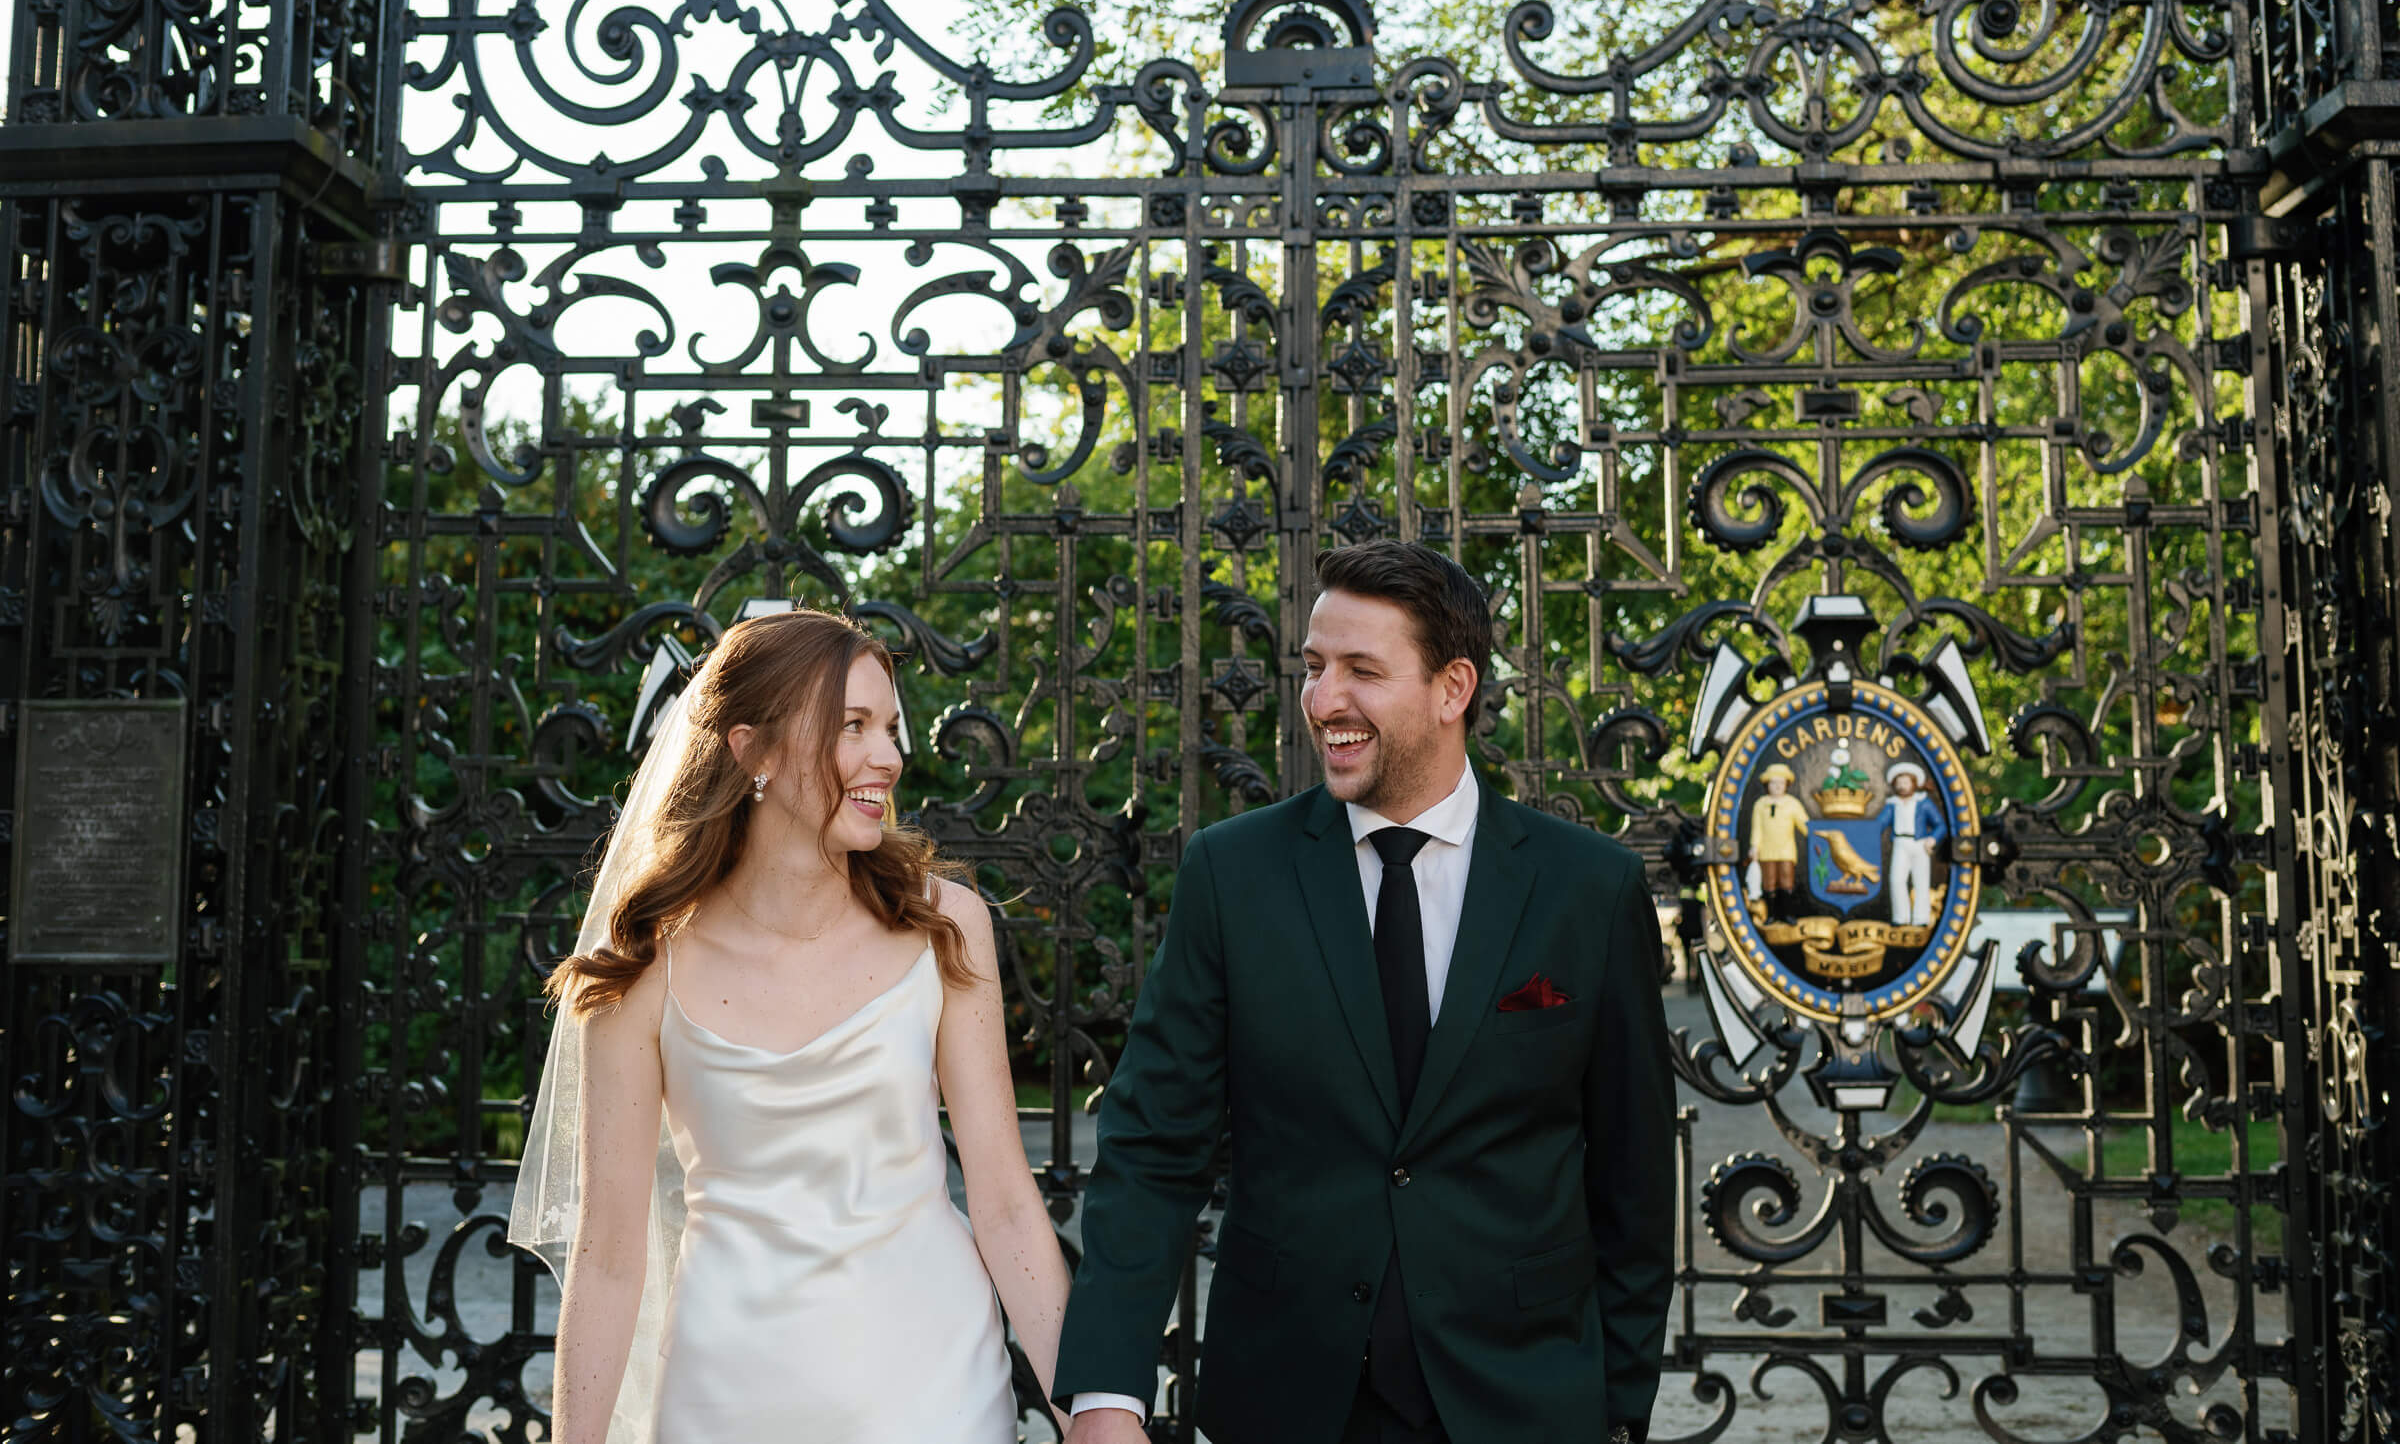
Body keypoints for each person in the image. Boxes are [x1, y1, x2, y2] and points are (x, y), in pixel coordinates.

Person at [1055, 542, 1675, 1444]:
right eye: (1313, 668)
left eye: (1361, 671)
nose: (1322, 701)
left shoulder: (1590, 889)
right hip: (1284, 1400)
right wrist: (1106, 1389)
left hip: (1521, 1401)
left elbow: (1635, 1178)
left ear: (1452, 688)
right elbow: (1154, 1149)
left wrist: (1617, 1410)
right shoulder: (1232, 875)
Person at [509, 609, 1071, 1443]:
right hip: (723, 1396)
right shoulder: (643, 962)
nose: (890, 755)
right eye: (853, 727)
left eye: (889, 726)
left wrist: (1088, 1412)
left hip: (934, 1388)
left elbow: (1004, 1204)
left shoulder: (943, 926)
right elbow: (610, 1253)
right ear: (753, 750)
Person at [1880, 762, 1945, 926]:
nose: (1902, 786)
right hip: (1900, 842)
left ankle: (1921, 918)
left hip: (1919, 843)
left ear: (1914, 783)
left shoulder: (1923, 802)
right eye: (1899, 782)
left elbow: (1940, 825)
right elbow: (1880, 823)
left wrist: (1933, 838)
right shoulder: (1893, 804)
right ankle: (1901, 917)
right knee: (1896, 880)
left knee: (1921, 881)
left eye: (1905, 782)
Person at [1744, 763, 1809, 904]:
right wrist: (1755, 846)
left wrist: (1816, 838)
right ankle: (1772, 914)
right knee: (1769, 881)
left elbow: (1804, 825)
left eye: (1781, 783)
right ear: (1768, 784)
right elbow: (1757, 829)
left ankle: (1787, 914)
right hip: (1766, 851)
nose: (1778, 786)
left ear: (1787, 784)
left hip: (1786, 851)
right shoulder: (1760, 805)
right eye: (1774, 783)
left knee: (1786, 880)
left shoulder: (1792, 804)